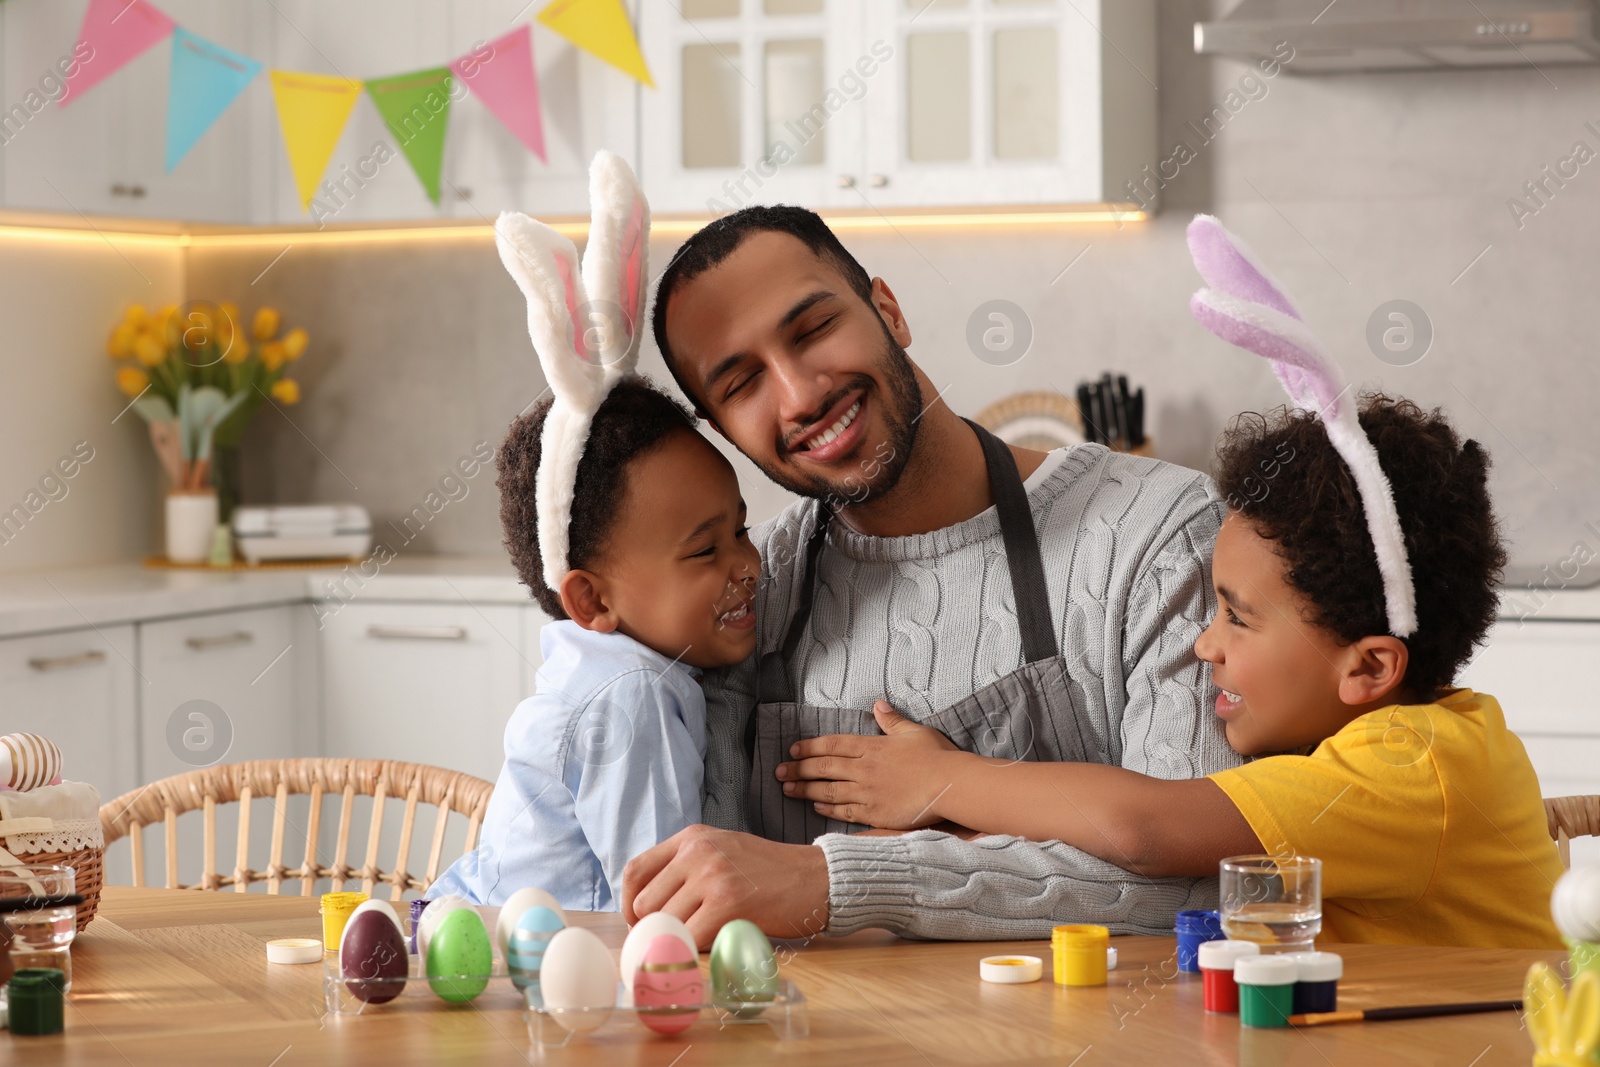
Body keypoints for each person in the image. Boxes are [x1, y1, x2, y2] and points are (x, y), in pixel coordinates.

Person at [621, 205, 1242, 945]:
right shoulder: (744, 599)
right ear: (722, 429)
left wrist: (836, 879)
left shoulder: (1153, 533)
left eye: (813, 328)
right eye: (741, 382)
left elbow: (1210, 882)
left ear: (888, 309)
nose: (799, 394)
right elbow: (715, 891)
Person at [776, 395, 1563, 948]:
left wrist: (942, 781)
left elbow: (1145, 828)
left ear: (1369, 667)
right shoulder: (1360, 749)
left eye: (1237, 616)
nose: (1204, 644)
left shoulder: (1412, 765)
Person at [429, 379, 761, 909]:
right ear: (593, 600)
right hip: (505, 957)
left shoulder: (624, 666)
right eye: (704, 551)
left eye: (742, 531)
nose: (745, 566)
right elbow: (665, 905)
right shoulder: (631, 694)